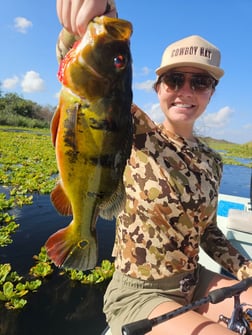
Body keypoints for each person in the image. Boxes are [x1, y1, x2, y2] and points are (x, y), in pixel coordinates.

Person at [56, 1, 252, 334]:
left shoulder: (212, 161)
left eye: (200, 82)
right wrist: (97, 18)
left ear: (211, 93)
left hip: (195, 281)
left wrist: (247, 271)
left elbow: (207, 232)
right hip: (140, 293)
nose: (186, 92)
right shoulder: (133, 130)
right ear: (158, 87)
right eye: (175, 80)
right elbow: (92, 77)